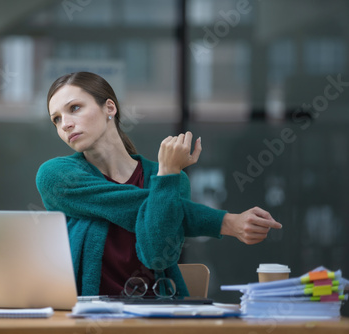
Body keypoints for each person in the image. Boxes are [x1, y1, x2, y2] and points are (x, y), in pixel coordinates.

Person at [36, 72, 282, 297]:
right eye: (56, 119)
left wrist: (167, 174)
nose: (65, 124)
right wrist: (225, 221)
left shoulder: (170, 178)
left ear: (109, 107)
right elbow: (146, 206)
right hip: (87, 317)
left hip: (158, 313)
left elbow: (156, 256)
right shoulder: (56, 176)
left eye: (75, 108)